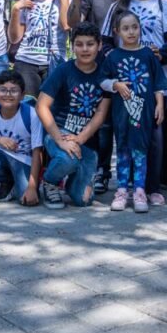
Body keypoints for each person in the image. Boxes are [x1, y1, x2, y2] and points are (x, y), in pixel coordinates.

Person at [101, 0, 167, 200]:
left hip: (154, 82)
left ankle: (152, 186)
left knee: (154, 136)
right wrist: (115, 60)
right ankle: (126, 186)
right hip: (124, 85)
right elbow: (105, 41)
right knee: (125, 137)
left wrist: (161, 53)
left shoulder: (162, 5)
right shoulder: (118, 7)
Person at [68, 0, 128, 193]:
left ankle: (131, 175)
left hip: (129, 69)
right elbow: (72, 24)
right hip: (101, 69)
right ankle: (102, 171)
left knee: (126, 122)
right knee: (102, 125)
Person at [36, 22, 112, 209]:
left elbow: (101, 113)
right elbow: (41, 106)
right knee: (67, 158)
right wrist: (60, 140)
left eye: (90, 44)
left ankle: (73, 185)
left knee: (83, 200)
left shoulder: (105, 73)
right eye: (79, 44)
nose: (85, 49)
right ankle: (49, 182)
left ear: (99, 45)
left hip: (86, 139)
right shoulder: (64, 70)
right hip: (59, 132)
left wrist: (79, 139)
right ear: (72, 46)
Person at [101, 11, 167, 212]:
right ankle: (122, 190)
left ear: (140, 28)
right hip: (122, 113)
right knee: (122, 150)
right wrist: (116, 84)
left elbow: (158, 83)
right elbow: (102, 81)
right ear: (117, 31)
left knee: (141, 151)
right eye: (125, 28)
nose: (131, 32)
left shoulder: (148, 54)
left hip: (144, 112)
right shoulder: (113, 56)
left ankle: (139, 191)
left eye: (134, 27)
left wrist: (159, 105)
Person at [0, 70, 42, 206]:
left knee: (27, 200)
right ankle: (7, 181)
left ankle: (22, 183)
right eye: (3, 90)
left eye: (13, 91)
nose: (8, 95)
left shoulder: (32, 114)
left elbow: (37, 152)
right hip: (1, 157)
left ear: (22, 95)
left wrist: (32, 187)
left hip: (24, 161)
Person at [9, 0, 70, 94]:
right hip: (26, 61)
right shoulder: (27, 4)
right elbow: (14, 39)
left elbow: (67, 26)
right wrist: (15, 10)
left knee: (52, 107)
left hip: (54, 62)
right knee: (28, 105)